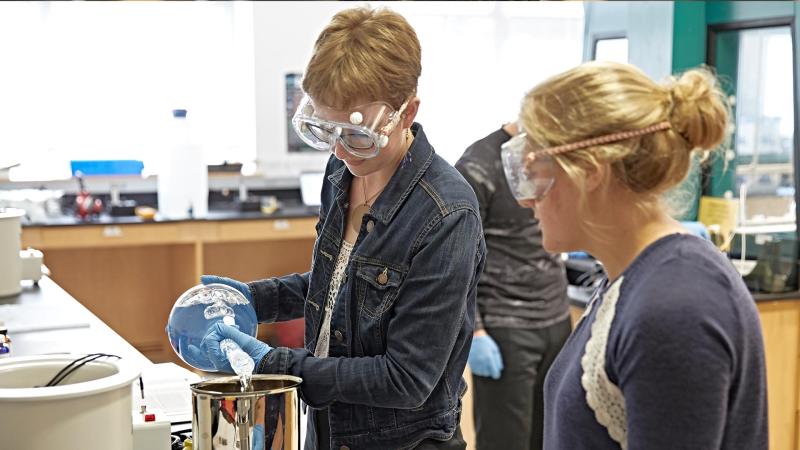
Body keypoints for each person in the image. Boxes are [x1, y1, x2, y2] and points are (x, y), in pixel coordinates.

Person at [198, 6, 485, 450]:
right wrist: (256, 299)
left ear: (406, 113)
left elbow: (407, 379)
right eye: (323, 130)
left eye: (356, 136)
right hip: (331, 427)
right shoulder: (342, 172)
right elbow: (342, 285)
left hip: (403, 440)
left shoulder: (447, 215)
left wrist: (279, 363)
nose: (339, 149)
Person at [502, 61, 767, 449]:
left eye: (537, 170)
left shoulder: (676, 305)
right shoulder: (634, 278)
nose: (527, 198)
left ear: (591, 171)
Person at [455, 123, 571, 450]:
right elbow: (459, 258)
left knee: (552, 437)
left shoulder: (554, 152)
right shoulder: (478, 165)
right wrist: (475, 331)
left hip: (557, 318)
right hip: (504, 329)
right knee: (506, 441)